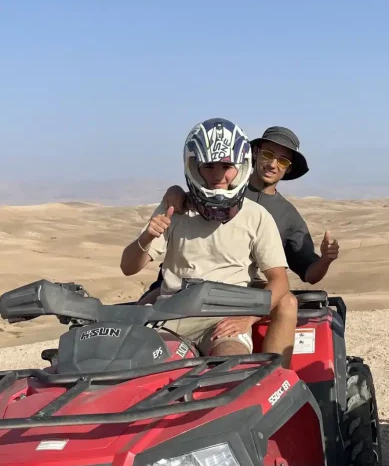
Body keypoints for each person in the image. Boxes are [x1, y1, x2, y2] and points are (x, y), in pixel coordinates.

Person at [120, 117, 298, 364]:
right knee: (150, 375)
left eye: (226, 167)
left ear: (241, 167)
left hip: (223, 319)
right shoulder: (175, 208)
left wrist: (248, 319)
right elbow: (128, 268)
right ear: (194, 167)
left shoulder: (257, 216)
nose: (218, 176)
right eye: (209, 166)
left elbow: (279, 282)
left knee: (232, 368)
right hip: (169, 318)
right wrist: (148, 236)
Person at [155, 126, 338, 288]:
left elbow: (309, 274)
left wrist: (326, 259)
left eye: (283, 161)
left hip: (235, 290)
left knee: (285, 301)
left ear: (288, 168)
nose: (273, 165)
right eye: (268, 155)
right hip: (176, 285)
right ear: (255, 153)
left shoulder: (287, 215)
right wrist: (175, 191)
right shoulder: (222, 185)